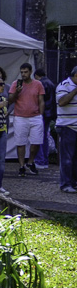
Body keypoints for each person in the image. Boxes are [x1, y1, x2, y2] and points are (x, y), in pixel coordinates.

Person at [9, 62, 46, 177]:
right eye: (22, 72)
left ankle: (30, 161)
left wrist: (41, 115)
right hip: (20, 117)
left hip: (35, 117)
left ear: (30, 72)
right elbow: (10, 100)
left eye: (25, 72)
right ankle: (21, 165)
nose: (23, 74)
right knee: (20, 142)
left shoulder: (38, 84)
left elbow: (41, 100)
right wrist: (17, 91)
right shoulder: (16, 84)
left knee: (36, 142)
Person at [55, 65, 77, 193]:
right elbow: (62, 102)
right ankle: (66, 184)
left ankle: (74, 182)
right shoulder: (64, 85)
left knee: (75, 158)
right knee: (67, 158)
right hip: (67, 126)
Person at [34, 68, 57, 169]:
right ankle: (45, 160)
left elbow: (40, 99)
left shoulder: (41, 83)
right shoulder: (51, 83)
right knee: (45, 136)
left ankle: (40, 160)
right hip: (50, 113)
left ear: (36, 75)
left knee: (39, 136)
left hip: (43, 113)